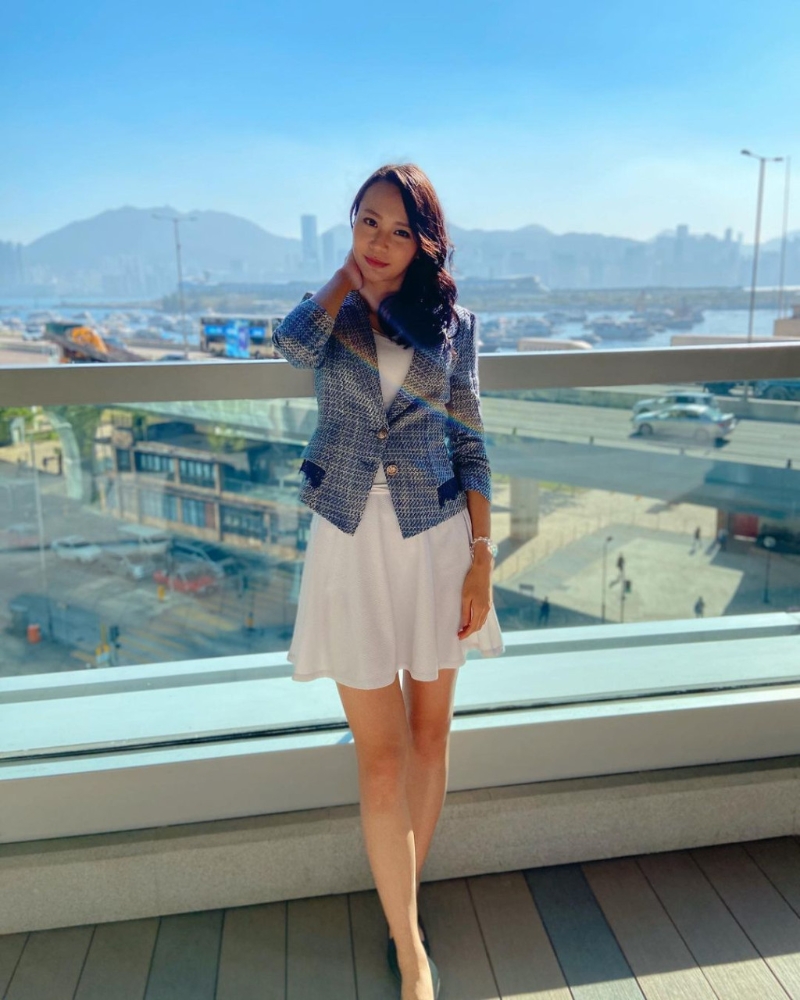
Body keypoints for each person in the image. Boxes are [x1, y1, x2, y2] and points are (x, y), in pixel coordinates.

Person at [273, 164, 504, 1000]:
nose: (379, 241)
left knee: (430, 736)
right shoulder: (331, 312)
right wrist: (345, 278)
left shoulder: (454, 326)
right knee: (380, 757)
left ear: (425, 244)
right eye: (367, 222)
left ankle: (402, 914)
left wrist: (482, 558)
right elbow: (288, 345)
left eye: (400, 231)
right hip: (348, 539)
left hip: (436, 539)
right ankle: (412, 952)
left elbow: (470, 442)